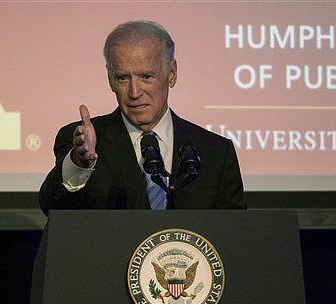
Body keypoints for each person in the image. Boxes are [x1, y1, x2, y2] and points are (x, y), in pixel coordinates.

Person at [39, 20, 245, 215]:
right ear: (110, 79)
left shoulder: (216, 152)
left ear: (171, 74)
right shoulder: (82, 143)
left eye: (146, 77)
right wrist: (79, 165)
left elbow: (233, 233)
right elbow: (53, 208)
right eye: (123, 77)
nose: (134, 92)